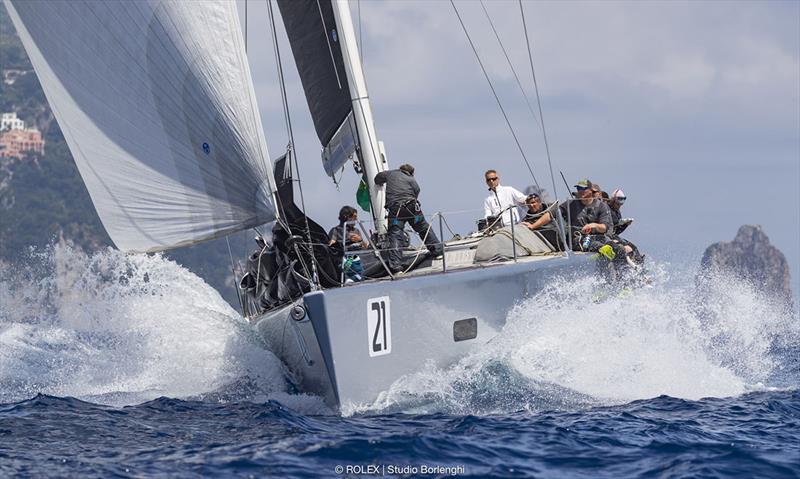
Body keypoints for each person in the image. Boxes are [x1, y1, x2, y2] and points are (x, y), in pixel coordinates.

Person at [374, 164, 442, 274]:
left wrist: (379, 183)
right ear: (411, 172)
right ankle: (437, 251)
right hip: (411, 207)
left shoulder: (391, 173)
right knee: (422, 227)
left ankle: (396, 266)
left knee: (395, 234)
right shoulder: (411, 179)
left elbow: (378, 177)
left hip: (396, 209)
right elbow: (417, 191)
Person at [328, 206, 368, 282]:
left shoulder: (357, 231)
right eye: (354, 217)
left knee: (355, 262)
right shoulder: (336, 230)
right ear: (346, 217)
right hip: (345, 257)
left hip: (357, 256)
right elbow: (331, 245)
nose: (356, 219)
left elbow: (366, 246)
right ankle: (349, 278)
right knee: (349, 262)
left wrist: (360, 240)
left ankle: (354, 278)